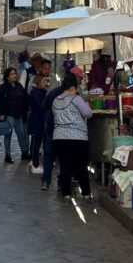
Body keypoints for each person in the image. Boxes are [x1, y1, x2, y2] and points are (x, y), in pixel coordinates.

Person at [51, 69, 94, 204]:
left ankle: (66, 195)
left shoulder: (55, 100)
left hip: (59, 137)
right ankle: (86, 194)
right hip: (77, 137)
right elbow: (88, 114)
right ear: (72, 87)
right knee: (80, 166)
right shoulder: (76, 98)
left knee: (65, 166)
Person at [0, 67, 29, 164]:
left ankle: (24, 152)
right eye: (12, 74)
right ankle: (7, 155)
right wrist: (1, 114)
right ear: (7, 76)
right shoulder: (3, 88)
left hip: (19, 114)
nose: (14, 76)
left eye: (15, 74)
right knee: (8, 135)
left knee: (21, 134)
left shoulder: (19, 86)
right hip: (8, 115)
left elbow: (25, 98)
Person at [27, 72, 49, 175]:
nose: (46, 83)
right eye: (44, 81)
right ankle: (35, 165)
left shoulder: (40, 91)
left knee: (37, 143)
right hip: (37, 120)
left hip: (39, 120)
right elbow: (42, 105)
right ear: (39, 82)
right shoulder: (36, 92)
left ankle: (33, 162)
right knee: (36, 143)